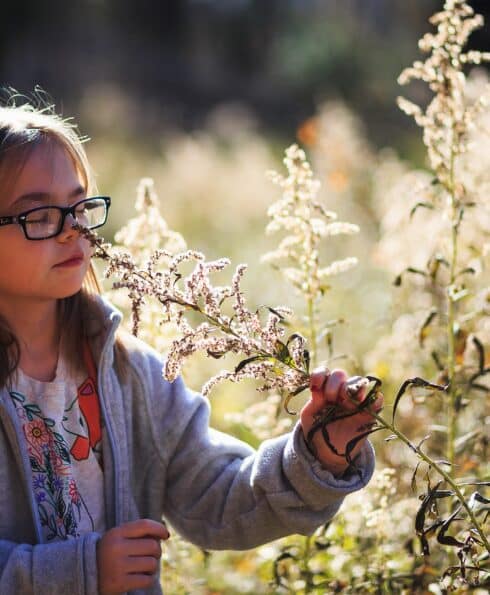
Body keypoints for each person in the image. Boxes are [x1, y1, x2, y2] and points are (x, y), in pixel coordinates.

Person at [0, 92, 383, 595]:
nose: (73, 229)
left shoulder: (127, 372)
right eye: (40, 215)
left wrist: (314, 454)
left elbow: (221, 499)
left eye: (79, 205)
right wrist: (82, 571)